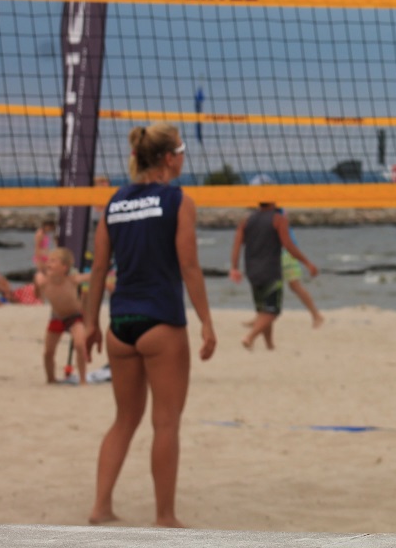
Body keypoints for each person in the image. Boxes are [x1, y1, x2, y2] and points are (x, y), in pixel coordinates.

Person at [83, 123, 216, 528]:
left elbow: (99, 268)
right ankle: (165, 517)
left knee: (124, 419)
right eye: (181, 150)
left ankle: (101, 507)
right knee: (166, 422)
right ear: (168, 158)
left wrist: (89, 323)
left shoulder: (115, 202)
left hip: (120, 323)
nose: (184, 157)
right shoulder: (178, 201)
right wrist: (207, 322)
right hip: (161, 323)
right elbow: (189, 266)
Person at [229, 203, 318, 349]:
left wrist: (234, 267)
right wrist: (307, 263)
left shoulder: (246, 220)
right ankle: (250, 337)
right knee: (272, 311)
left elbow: (237, 245)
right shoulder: (278, 219)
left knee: (263, 309)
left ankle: (269, 345)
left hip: (252, 270)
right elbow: (289, 246)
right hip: (270, 270)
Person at [38, 247, 88, 384]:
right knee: (48, 352)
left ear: (64, 267)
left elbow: (92, 276)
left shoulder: (71, 279)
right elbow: (37, 296)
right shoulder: (44, 280)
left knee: (79, 344)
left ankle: (83, 379)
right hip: (57, 316)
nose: (49, 264)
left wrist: (106, 276)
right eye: (48, 261)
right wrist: (37, 285)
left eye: (54, 261)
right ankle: (51, 379)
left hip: (75, 316)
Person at [279, 224, 324, 328]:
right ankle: (260, 315)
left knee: (295, 286)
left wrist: (307, 263)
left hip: (286, 253)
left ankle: (316, 315)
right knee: (271, 284)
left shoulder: (277, 214)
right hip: (281, 252)